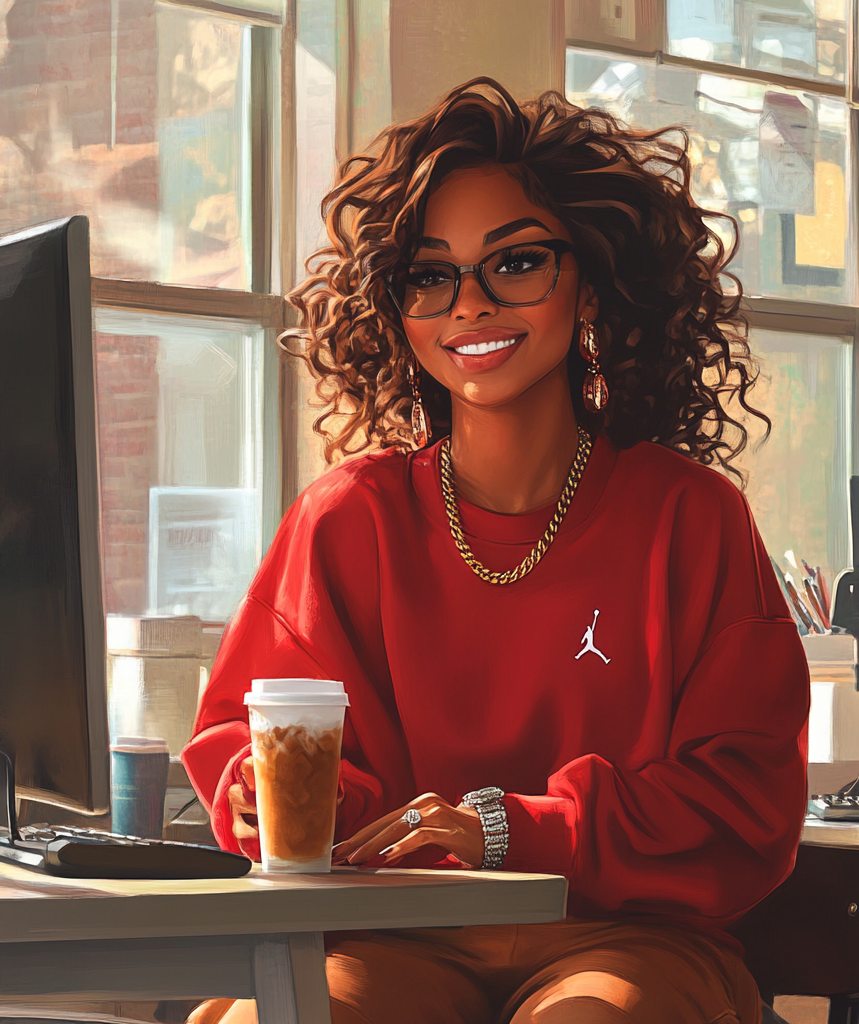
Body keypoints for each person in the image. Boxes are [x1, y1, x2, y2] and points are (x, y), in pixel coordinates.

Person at [182, 78, 810, 1024]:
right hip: (390, 936)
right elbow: (251, 741)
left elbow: (745, 796)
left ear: (590, 282)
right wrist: (262, 797)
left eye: (515, 263)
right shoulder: (346, 520)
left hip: (623, 939)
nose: (468, 305)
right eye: (429, 276)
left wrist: (504, 827)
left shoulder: (692, 519)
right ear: (394, 310)